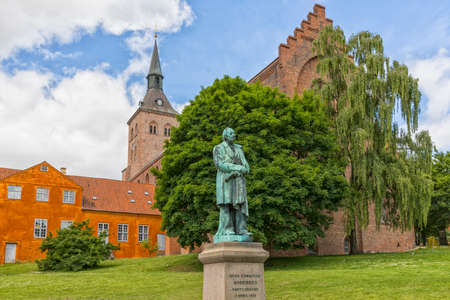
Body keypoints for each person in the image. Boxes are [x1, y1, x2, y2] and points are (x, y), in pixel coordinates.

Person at [213, 128, 251, 241]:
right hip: (226, 180)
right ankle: (227, 230)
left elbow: (246, 166)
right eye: (231, 133)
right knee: (227, 204)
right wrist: (237, 168)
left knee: (240, 205)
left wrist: (244, 169)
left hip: (239, 180)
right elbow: (219, 164)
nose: (234, 135)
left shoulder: (239, 149)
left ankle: (241, 229)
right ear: (225, 136)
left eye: (234, 133)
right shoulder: (218, 148)